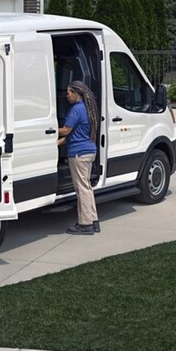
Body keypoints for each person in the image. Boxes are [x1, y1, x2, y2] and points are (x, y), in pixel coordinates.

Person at [57, 80, 100, 235]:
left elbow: (66, 131)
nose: (67, 95)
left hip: (78, 154)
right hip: (89, 151)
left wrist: (47, 130)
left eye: (69, 92)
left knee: (81, 189)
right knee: (87, 187)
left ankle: (85, 224)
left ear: (76, 94)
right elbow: (74, 134)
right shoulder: (87, 108)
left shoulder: (76, 109)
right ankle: (93, 220)